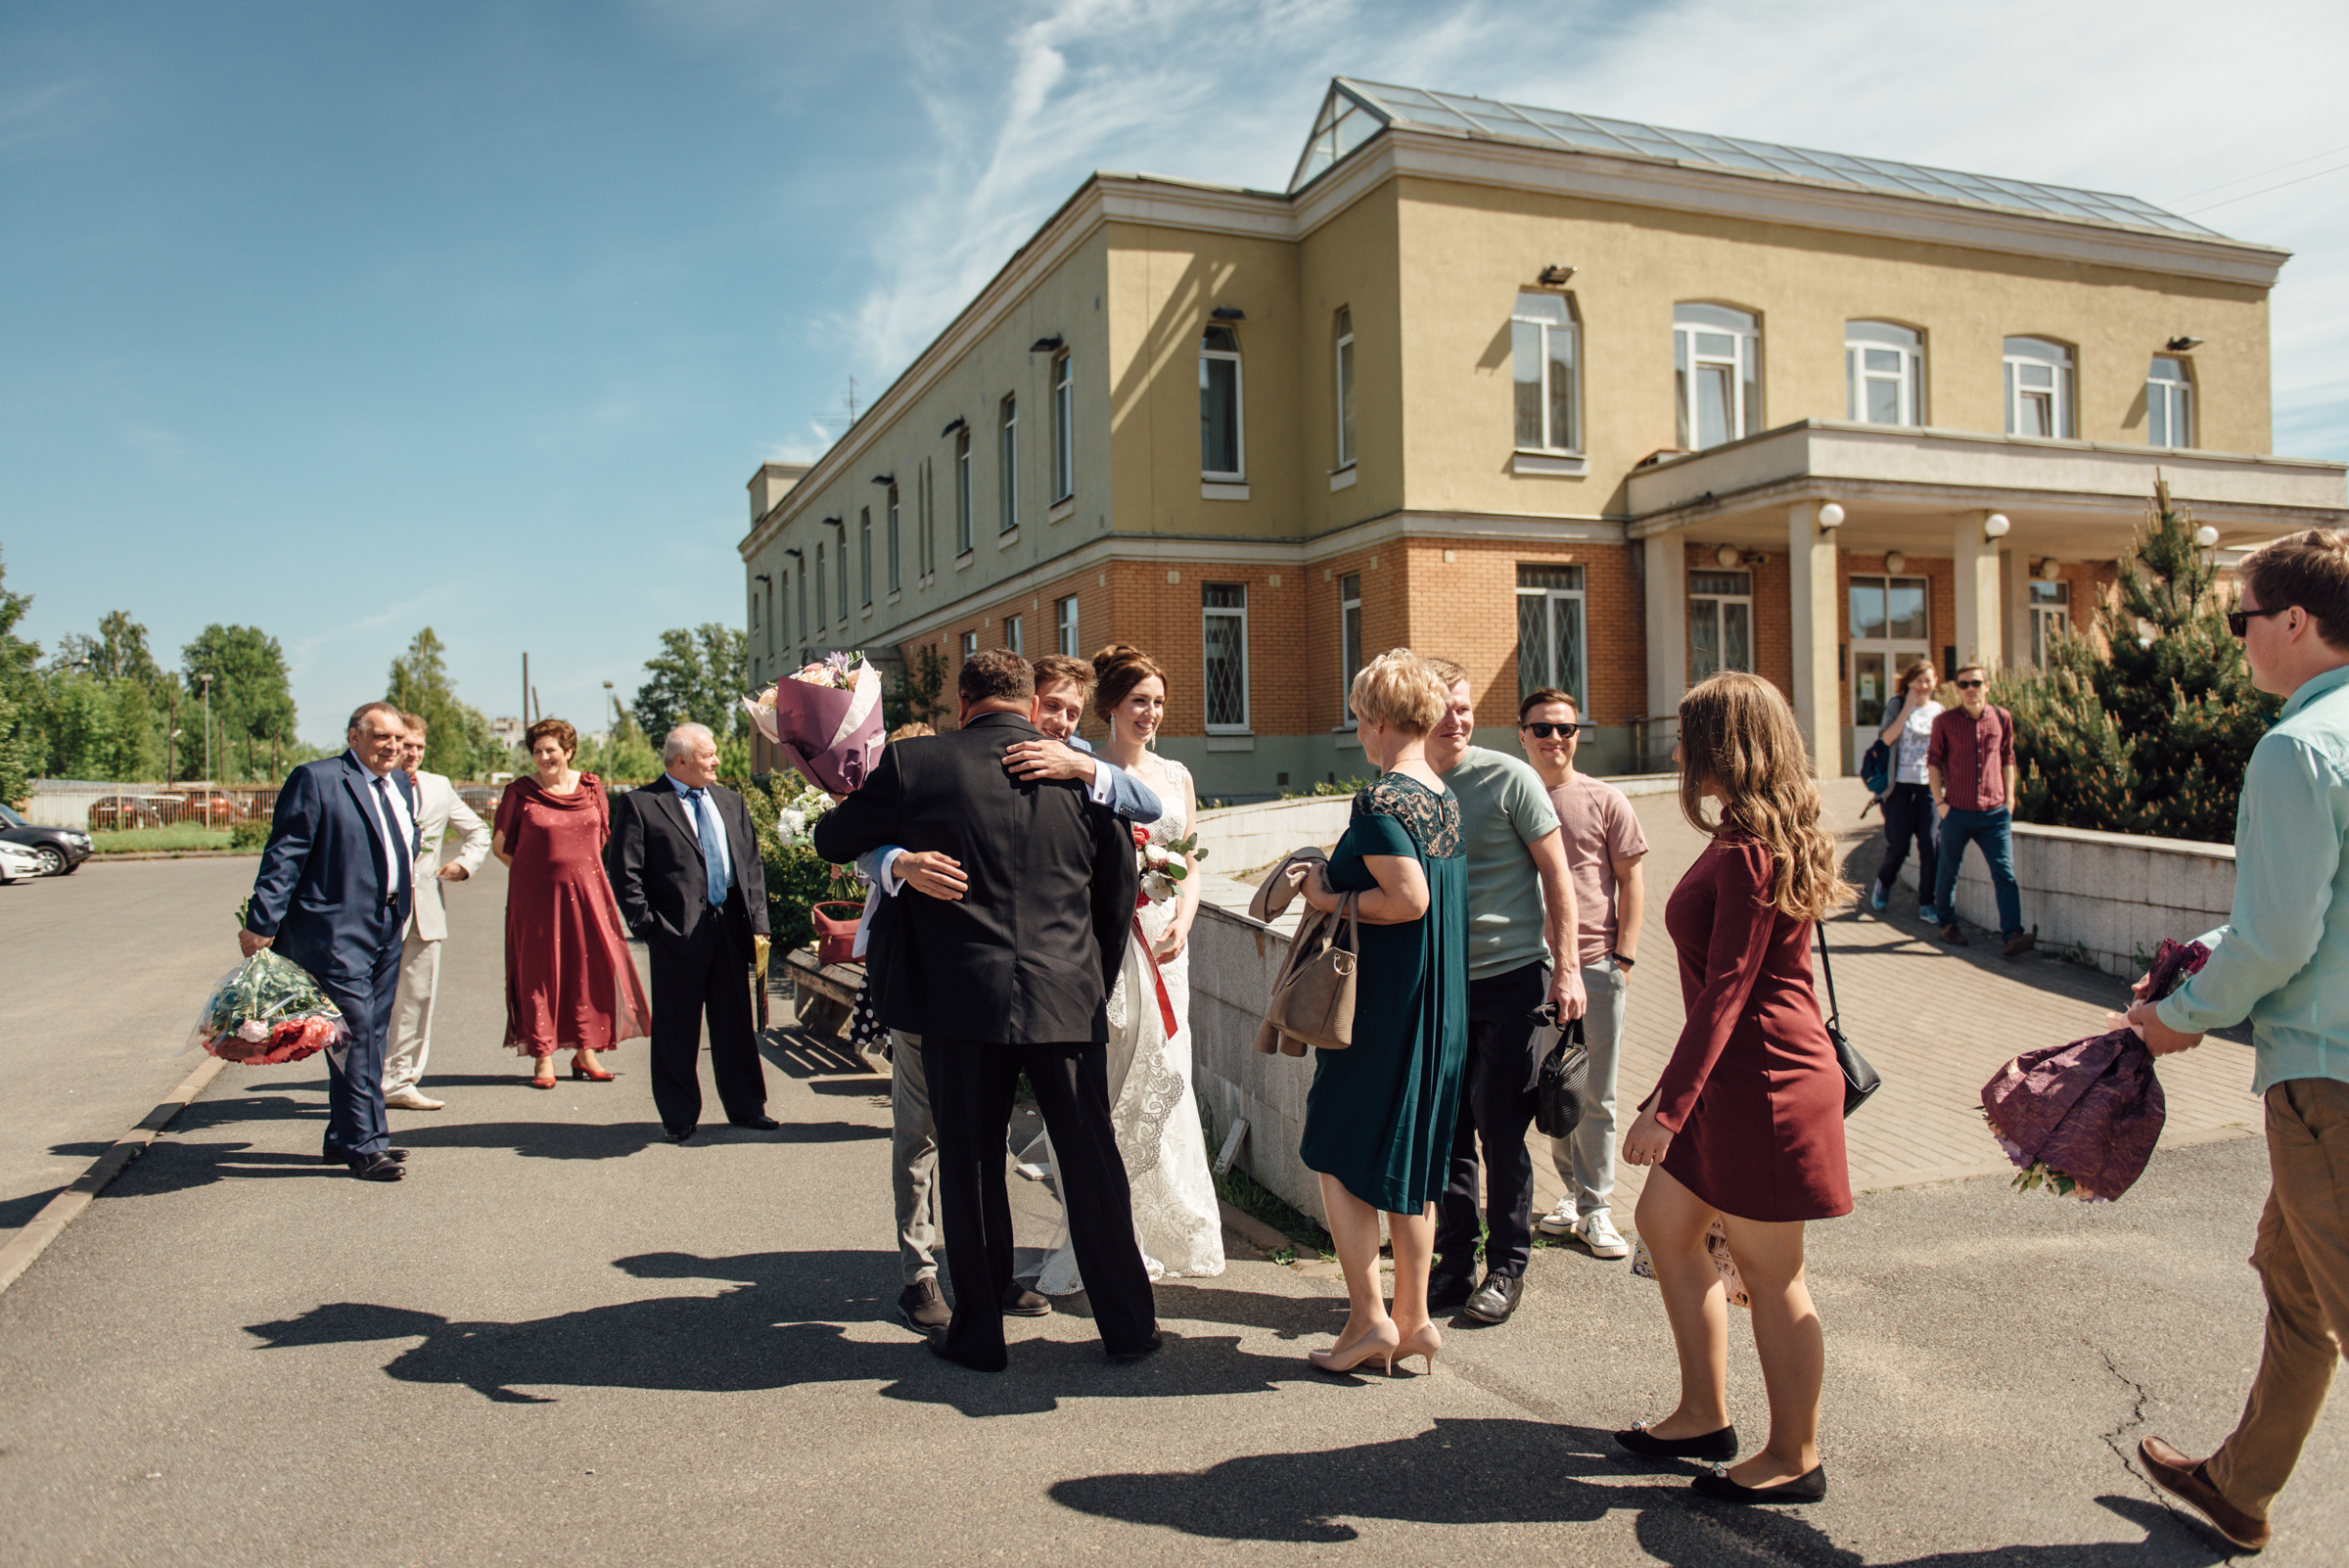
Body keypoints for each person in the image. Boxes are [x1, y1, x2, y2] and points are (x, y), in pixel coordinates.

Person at [813, 650, 1158, 1372]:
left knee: (971, 1163)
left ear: (962, 699)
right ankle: (1129, 1327)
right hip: (1065, 994)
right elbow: (1118, 886)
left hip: (957, 997)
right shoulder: (1074, 774)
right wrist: (1087, 975)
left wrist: (897, 859)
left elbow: (832, 840)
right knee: (1091, 1160)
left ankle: (979, 1335)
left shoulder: (917, 764)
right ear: (1027, 703)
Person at [2122, 529, 2349, 1555]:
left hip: (2329, 1080)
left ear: (2295, 622)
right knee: (2291, 1275)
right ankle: (2238, 1485)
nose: (2237, 640)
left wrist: (2177, 1017)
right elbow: (2303, 912)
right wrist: (2193, 959)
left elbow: (2279, 939)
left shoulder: (2299, 747)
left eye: (2242, 618)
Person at [1618, 670, 1853, 1504]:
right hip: (1733, 1077)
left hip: (1768, 1087)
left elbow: (1728, 990)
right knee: (1662, 1223)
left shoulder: (1753, 848)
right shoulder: (1740, 835)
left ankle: (1794, 1455)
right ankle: (1702, 1413)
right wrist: (1668, 1096)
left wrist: (1666, 1111)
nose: (1677, 752)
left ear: (1723, 746)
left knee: (1772, 1271)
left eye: (1689, 737)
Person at [1027, 645, 1224, 1295]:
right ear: (1110, 706)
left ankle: (1172, 1229)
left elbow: (1189, 861)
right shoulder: (1080, 771)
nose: (1152, 713)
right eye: (1140, 701)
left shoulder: (1176, 774)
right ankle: (1115, 1234)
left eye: (1160, 702)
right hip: (1107, 946)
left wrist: (1185, 919)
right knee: (1111, 1082)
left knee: (1164, 1080)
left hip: (1167, 946)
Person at [1296, 650, 1467, 1375]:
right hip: (1440, 1004)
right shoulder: (1443, 795)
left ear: (1378, 720)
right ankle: (1416, 1318)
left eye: (1360, 716)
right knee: (1414, 1158)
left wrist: (1322, 897)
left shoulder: (1382, 798)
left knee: (1334, 1147)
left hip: (1386, 1006)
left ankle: (1368, 1320)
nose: (1357, 729)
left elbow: (1406, 901)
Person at [1420, 657, 1583, 1326]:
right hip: (1439, 988)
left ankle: (1508, 1265)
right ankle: (1454, 1264)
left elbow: (1558, 878)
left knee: (1500, 1128)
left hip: (1513, 979)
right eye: (1443, 708)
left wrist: (1568, 970)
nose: (1457, 720)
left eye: (1465, 706)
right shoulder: (1410, 783)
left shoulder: (1509, 777)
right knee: (1448, 1132)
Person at [241, 702, 420, 1181]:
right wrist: (262, 921)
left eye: (399, 740)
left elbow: (404, 839)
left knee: (371, 1034)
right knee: (356, 1031)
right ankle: (366, 1146)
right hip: (335, 930)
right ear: (354, 735)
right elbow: (285, 855)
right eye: (382, 737)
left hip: (387, 923)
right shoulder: (317, 779)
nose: (392, 747)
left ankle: (344, 1134)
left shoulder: (400, 783)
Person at [1517, 687, 1646, 1261]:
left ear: (1578, 735)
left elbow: (1630, 880)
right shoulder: (1509, 798)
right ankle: (1569, 1193)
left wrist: (1623, 958)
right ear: (1521, 734)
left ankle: (1598, 1209)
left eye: (1565, 729)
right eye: (1542, 729)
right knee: (1554, 1086)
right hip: (1528, 967)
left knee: (1598, 1092)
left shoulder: (1604, 799)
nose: (1554, 739)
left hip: (1594, 965)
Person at [606, 722, 773, 1143]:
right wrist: (650, 927)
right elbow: (625, 875)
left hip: (730, 929)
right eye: (708, 755)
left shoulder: (731, 802)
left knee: (735, 1024)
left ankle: (747, 1107)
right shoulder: (642, 804)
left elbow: (751, 868)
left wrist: (759, 927)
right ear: (681, 761)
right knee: (676, 1029)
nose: (717, 761)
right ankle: (679, 1115)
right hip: (675, 935)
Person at [493, 718, 649, 1090]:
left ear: (569, 751)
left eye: (550, 750)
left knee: (587, 969)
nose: (543, 757)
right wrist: (535, 876)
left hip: (589, 895)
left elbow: (600, 840)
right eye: (536, 751)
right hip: (535, 900)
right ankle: (543, 1056)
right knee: (539, 972)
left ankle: (585, 1051)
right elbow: (500, 847)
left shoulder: (592, 787)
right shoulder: (521, 792)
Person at [382, 712, 491, 1112]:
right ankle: (362, 1083)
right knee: (368, 1000)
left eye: (419, 746)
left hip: (425, 905)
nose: (411, 752)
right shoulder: (369, 784)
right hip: (375, 910)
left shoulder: (438, 786)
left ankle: (400, 1082)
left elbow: (479, 831)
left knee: (416, 997)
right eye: (405, 744)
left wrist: (464, 864)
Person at [1927, 665, 2033, 956]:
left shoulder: (2002, 717)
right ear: (1957, 689)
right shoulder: (1944, 721)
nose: (1970, 689)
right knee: (1947, 872)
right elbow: (1934, 762)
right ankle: (1947, 924)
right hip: (1956, 812)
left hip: (1994, 813)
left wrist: (2010, 799)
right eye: (1964, 684)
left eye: (1976, 683)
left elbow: (2008, 757)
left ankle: (2012, 935)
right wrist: (1940, 802)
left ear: (1987, 685)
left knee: (2005, 874)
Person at [1868, 660, 1943, 925]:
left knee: (1931, 846)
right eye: (1918, 680)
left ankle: (1927, 903)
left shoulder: (1940, 712)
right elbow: (1886, 740)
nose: (1923, 685)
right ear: (1909, 682)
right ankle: (1885, 882)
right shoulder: (1897, 705)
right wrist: (1908, 708)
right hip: (1898, 788)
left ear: (1935, 682)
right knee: (1898, 847)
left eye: (1928, 680)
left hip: (1928, 790)